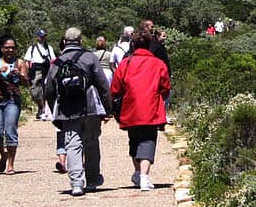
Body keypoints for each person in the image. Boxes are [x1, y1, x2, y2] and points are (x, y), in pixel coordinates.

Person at [47, 28, 113, 196]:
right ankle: (92, 180)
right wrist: (108, 109)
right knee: (91, 143)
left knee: (72, 144)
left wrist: (53, 107)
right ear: (80, 41)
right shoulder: (89, 57)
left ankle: (76, 183)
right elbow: (102, 84)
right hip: (90, 107)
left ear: (64, 41)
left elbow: (49, 88)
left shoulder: (58, 61)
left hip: (68, 109)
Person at [110, 29, 170, 192]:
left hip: (131, 108)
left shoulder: (125, 63)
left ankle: (138, 173)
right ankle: (144, 176)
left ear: (133, 45)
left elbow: (115, 88)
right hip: (151, 107)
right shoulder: (158, 64)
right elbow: (165, 87)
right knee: (149, 140)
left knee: (134, 140)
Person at [0, 34, 29, 175]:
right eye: (7, 48)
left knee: (11, 131)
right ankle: (3, 154)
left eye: (12, 48)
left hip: (13, 100)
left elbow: (27, 82)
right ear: (2, 48)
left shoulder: (19, 62)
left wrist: (20, 75)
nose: (10, 50)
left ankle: (10, 164)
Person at [24, 29, 55, 120]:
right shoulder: (32, 48)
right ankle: (40, 106)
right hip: (36, 70)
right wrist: (27, 72)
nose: (42, 38)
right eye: (41, 36)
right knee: (34, 91)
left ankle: (44, 111)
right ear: (37, 37)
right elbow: (27, 61)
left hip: (47, 69)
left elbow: (53, 59)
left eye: (44, 36)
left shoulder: (49, 47)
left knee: (46, 90)